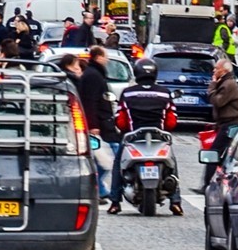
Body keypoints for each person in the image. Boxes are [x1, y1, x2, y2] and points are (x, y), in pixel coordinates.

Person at [110, 59, 182, 215]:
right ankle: (176, 201)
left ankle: (115, 202)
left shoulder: (128, 93)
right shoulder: (164, 92)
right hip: (159, 139)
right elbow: (171, 121)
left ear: (136, 73)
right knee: (172, 166)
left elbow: (121, 120)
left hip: (133, 138)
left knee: (117, 164)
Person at [197, 55, 238, 191]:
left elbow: (218, 101)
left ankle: (206, 185)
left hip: (230, 125)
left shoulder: (228, 84)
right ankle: (214, 182)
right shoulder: (225, 83)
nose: (213, 71)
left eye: (216, 69)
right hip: (226, 123)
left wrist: (212, 85)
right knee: (223, 155)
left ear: (223, 71)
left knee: (214, 154)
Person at [78, 45, 119, 201]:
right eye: (105, 56)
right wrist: (93, 124)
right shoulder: (93, 75)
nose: (107, 59)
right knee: (109, 159)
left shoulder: (94, 74)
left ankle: (99, 188)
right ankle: (98, 188)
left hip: (102, 122)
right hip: (99, 124)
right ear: (98, 57)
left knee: (104, 159)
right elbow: (91, 101)